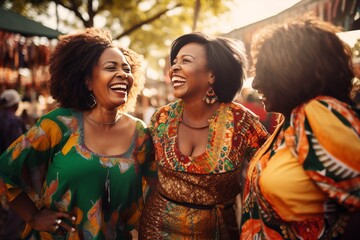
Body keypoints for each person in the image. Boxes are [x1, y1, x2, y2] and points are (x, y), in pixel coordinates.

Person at [0, 28, 156, 239]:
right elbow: (6, 171)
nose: (123, 74)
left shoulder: (140, 133)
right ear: (88, 81)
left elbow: (159, 194)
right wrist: (34, 217)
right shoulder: (58, 124)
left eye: (127, 69)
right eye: (111, 67)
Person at [139, 32, 269, 239]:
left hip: (217, 232)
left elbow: (269, 177)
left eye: (186, 61)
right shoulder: (161, 118)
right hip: (155, 230)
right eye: (174, 62)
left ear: (212, 75)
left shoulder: (243, 123)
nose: (174, 68)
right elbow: (143, 170)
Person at [240, 17, 360, 239]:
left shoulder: (318, 112)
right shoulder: (288, 121)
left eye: (264, 71)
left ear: (291, 71)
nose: (255, 84)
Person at [0, 89, 26, 239]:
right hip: (9, 170)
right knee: (16, 205)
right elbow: (19, 150)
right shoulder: (15, 121)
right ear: (16, 105)